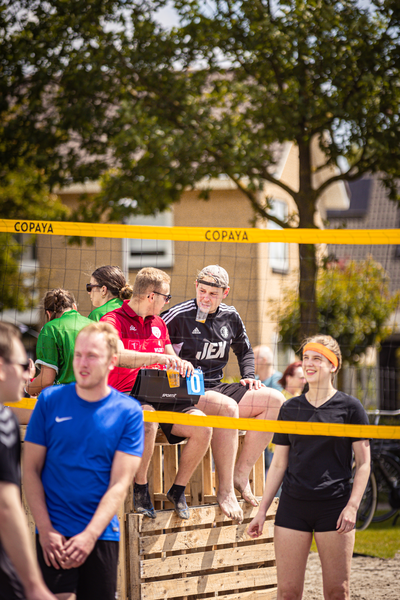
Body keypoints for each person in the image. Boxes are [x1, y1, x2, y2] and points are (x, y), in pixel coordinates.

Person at [23, 322, 144, 600]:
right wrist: (46, 531)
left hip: (100, 534)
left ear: (112, 361)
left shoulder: (128, 412)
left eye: (92, 356)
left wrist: (89, 536)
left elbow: (119, 484)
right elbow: (30, 470)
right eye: (78, 355)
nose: (82, 363)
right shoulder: (49, 401)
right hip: (53, 534)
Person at [248, 334, 371, 600]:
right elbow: (279, 464)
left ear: (333, 365)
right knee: (288, 592)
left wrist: (352, 506)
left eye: (317, 358)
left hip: (334, 507)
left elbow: (363, 464)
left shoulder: (351, 408)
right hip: (293, 506)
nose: (309, 363)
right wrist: (262, 511)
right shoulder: (290, 408)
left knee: (338, 591)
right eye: (305, 358)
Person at [161, 265, 285, 519]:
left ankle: (241, 474)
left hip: (215, 386)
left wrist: (249, 377)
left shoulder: (231, 316)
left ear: (225, 293)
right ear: (196, 286)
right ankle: (225, 491)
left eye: (213, 294)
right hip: (182, 392)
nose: (206, 298)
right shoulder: (177, 314)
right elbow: (152, 337)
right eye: (202, 290)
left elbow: (245, 350)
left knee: (275, 400)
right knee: (226, 406)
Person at [101, 267, 213, 520]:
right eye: (167, 297)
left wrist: (182, 364)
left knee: (203, 426)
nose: (167, 302)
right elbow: (119, 356)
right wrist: (155, 357)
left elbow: (169, 358)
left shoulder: (158, 323)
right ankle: (141, 490)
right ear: (152, 296)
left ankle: (177, 490)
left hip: (161, 392)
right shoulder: (111, 320)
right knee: (148, 420)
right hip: (124, 395)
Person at [0, 321, 56, 600]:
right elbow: (6, 507)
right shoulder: (3, 422)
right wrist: (34, 584)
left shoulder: (8, 417)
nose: (28, 376)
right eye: (24, 365)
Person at [25, 289, 92, 398]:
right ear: (74, 307)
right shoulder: (94, 325)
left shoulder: (50, 328)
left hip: (67, 398)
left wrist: (27, 388)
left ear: (48, 313)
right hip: (97, 396)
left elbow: (46, 380)